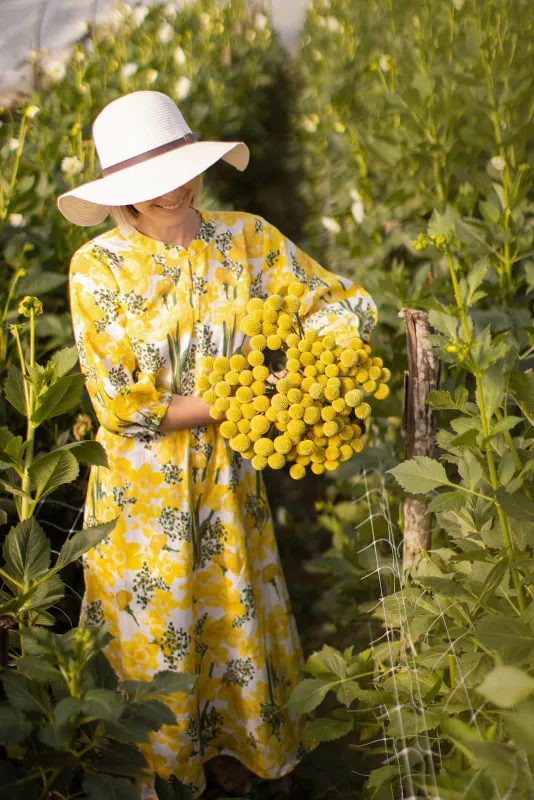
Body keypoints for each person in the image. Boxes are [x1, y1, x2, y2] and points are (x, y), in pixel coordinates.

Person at [58, 90, 377, 799]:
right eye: (151, 184)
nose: (175, 189)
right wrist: (246, 399)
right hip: (142, 504)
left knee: (231, 628)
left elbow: (342, 301)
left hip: (231, 486)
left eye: (183, 170)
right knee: (155, 642)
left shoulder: (247, 240)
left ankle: (236, 761)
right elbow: (122, 404)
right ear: (121, 194)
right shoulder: (98, 268)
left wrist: (313, 370)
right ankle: (162, 777)